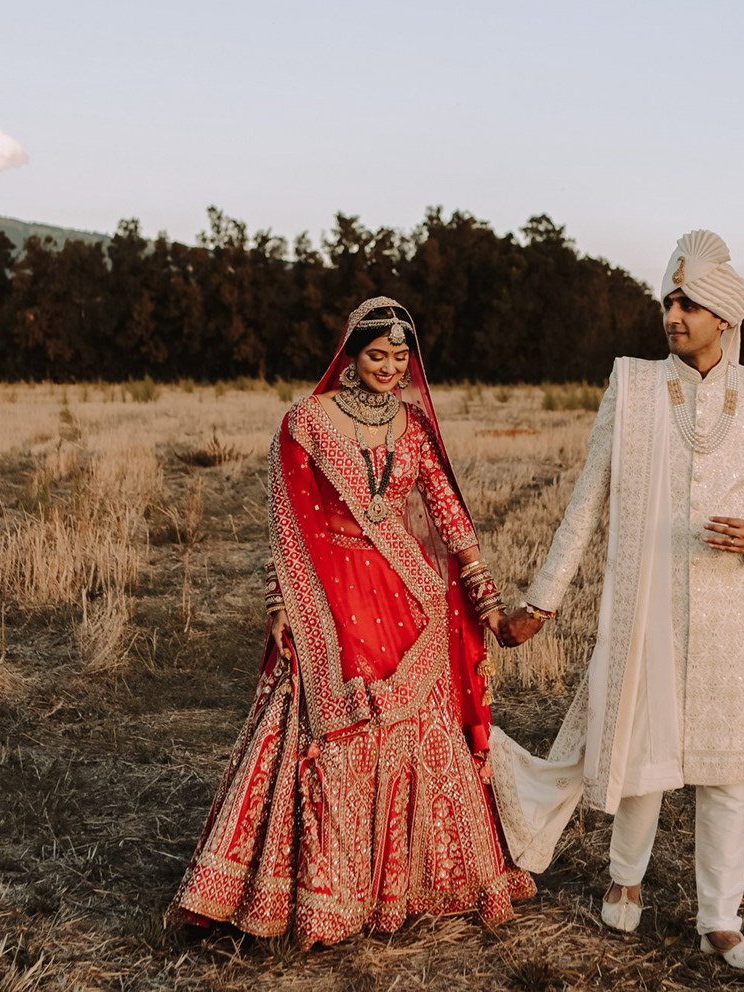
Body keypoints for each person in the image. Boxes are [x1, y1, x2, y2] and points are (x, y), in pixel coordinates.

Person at [169, 298, 535, 946]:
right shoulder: (307, 422)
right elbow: (286, 519)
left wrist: (485, 596)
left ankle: (410, 885)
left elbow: (447, 512)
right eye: (377, 355)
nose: (390, 368)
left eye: (401, 357)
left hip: (405, 596)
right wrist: (282, 603)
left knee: (416, 730)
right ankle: (324, 895)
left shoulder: (413, 426)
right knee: (327, 726)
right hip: (329, 594)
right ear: (350, 352)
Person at [490, 230, 744, 970]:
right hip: (648, 602)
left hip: (730, 612)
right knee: (640, 750)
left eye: (688, 303)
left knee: (727, 773)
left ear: (724, 316)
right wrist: (543, 600)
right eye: (668, 301)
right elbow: (586, 501)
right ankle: (624, 877)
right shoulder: (631, 385)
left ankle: (721, 921)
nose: (673, 315)